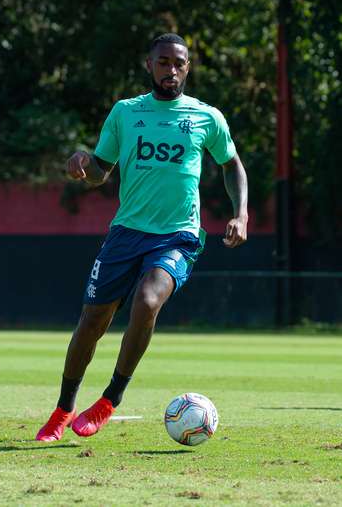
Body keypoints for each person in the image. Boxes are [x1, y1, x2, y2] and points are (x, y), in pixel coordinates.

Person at [36, 33, 248, 441]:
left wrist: (240, 212)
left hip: (177, 235)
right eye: (164, 62)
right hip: (126, 233)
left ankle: (109, 399)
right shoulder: (125, 113)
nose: (172, 70)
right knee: (92, 322)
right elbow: (101, 169)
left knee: (148, 300)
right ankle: (64, 408)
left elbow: (232, 164)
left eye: (179, 63)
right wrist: (81, 163)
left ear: (188, 67)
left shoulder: (207, 117)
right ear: (149, 65)